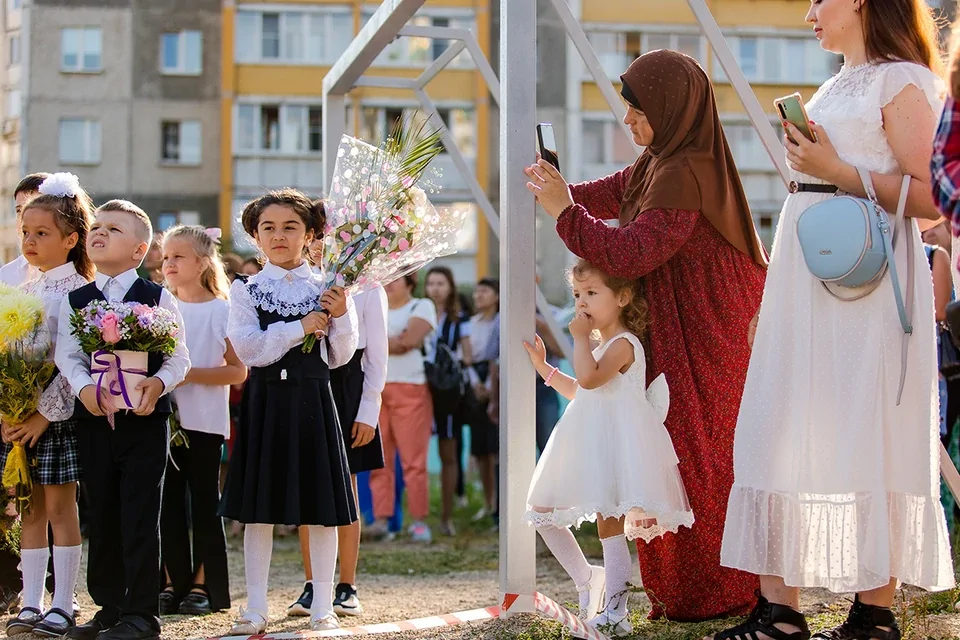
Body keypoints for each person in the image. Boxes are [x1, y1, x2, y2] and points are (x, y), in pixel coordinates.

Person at [712, 1, 955, 638]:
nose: (810, 12)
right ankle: (779, 611)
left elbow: (936, 196)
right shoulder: (834, 81)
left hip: (868, 284)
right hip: (809, 275)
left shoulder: (901, 78)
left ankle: (872, 615)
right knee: (777, 421)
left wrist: (835, 171)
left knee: (864, 426)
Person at [524, 48, 766, 620]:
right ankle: (685, 589)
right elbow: (604, 196)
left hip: (709, 328)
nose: (627, 121)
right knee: (677, 449)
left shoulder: (685, 169)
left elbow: (633, 253)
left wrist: (563, 213)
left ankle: (715, 589)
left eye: (637, 110)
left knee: (697, 451)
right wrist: (557, 191)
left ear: (671, 107)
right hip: (682, 321)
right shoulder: (660, 160)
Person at [524, 260, 693, 636]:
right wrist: (544, 368)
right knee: (541, 511)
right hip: (589, 439)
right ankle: (588, 579)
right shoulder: (603, 348)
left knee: (609, 522)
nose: (582, 302)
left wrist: (580, 339)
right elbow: (580, 390)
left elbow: (588, 377)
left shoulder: (624, 345)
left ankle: (617, 610)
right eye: (577, 295)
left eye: (592, 293)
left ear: (622, 297)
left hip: (615, 446)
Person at [219, 189, 358, 634]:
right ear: (254, 237)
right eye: (268, 228)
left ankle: (322, 606)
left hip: (315, 400)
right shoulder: (246, 290)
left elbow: (340, 355)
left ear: (310, 234)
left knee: (321, 505)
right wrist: (298, 326)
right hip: (265, 403)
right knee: (259, 508)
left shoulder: (329, 287)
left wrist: (341, 315)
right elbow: (249, 350)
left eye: (290, 227)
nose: (279, 236)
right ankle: (255, 607)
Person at [56, 199, 190, 640]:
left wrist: (158, 384)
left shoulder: (157, 297)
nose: (99, 232)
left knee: (139, 512)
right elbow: (68, 355)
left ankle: (142, 613)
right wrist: (84, 389)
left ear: (138, 251)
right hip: (94, 419)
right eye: (97, 226)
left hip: (144, 423)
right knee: (103, 513)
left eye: (113, 229)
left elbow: (179, 358)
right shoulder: (76, 299)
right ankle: (109, 607)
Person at [0, 173, 93, 638]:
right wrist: (10, 411)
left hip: (56, 419)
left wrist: (41, 415)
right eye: (26, 233)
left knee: (60, 509)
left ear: (71, 238)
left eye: (42, 234)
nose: (31, 241)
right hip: (19, 420)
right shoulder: (22, 286)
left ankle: (63, 602)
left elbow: (72, 364)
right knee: (29, 510)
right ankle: (30, 601)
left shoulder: (78, 291)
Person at [288, 239, 388, 619]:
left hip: (348, 388)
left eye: (328, 239)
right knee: (306, 485)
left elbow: (377, 353)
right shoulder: (295, 282)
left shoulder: (368, 286)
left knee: (344, 488)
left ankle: (346, 585)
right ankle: (313, 585)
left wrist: (368, 410)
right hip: (305, 382)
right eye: (313, 239)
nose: (319, 247)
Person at [158, 226, 246, 616]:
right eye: (165, 257)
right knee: (168, 506)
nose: (169, 264)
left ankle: (204, 585)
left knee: (205, 507)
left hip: (206, 423)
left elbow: (238, 372)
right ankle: (173, 582)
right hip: (164, 423)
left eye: (178, 257)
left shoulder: (221, 311)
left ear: (201, 262)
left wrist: (187, 373)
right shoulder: (160, 309)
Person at [366, 274, 436, 543]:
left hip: (412, 389)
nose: (389, 283)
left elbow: (409, 340)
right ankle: (382, 520)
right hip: (377, 390)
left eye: (397, 278)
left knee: (413, 461)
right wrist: (390, 341)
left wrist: (378, 343)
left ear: (410, 282)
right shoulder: (376, 307)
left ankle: (418, 522)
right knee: (379, 460)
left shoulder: (421, 306)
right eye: (386, 278)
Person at [424, 266, 476, 537]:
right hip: (419, 386)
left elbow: (467, 355)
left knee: (449, 450)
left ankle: (446, 516)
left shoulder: (460, 319)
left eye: (441, 283)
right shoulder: (418, 312)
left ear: (450, 287)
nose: (435, 288)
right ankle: (414, 517)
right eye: (431, 283)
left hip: (446, 389)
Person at [467, 278, 499, 526]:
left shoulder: (501, 323)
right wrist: (476, 383)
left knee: (496, 449)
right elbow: (466, 358)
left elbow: (496, 357)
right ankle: (488, 502)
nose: (479, 296)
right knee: (480, 452)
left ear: (497, 296)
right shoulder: (471, 324)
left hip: (497, 384)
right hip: (474, 384)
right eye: (476, 292)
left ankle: (500, 502)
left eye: (485, 291)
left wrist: (490, 386)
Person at [0, 173, 49, 287]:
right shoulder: (6, 275)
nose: (24, 216)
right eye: (19, 210)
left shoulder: (78, 275)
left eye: (35, 209)